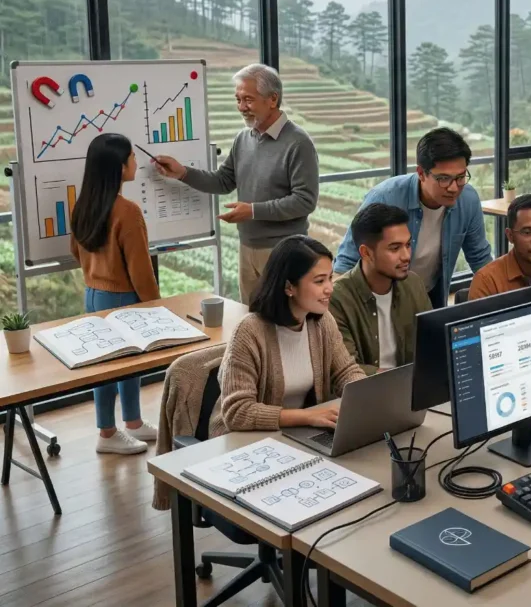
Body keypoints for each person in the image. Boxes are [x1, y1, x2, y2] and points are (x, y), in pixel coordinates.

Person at [152, 64, 319, 304]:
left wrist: (252, 211)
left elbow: (304, 201)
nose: (241, 107)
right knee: (251, 321)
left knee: (284, 322)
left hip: (284, 250)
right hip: (247, 248)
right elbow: (223, 181)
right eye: (238, 99)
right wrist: (182, 173)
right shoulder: (243, 138)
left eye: (248, 100)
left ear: (273, 99)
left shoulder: (298, 143)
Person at [209, 235, 364, 436]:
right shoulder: (249, 331)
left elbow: (345, 371)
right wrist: (308, 416)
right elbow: (237, 412)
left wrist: (366, 396)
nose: (329, 288)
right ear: (289, 287)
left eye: (330, 278)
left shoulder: (323, 322)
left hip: (292, 435)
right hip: (241, 441)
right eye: (319, 281)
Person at [70, 133, 160, 455]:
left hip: (93, 295)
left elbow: (76, 253)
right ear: (120, 168)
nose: (136, 162)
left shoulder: (83, 205)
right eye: (132, 157)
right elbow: (140, 271)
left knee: (110, 364)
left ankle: (131, 423)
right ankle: (109, 433)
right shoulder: (128, 212)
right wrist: (156, 306)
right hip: (123, 298)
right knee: (123, 363)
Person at [333, 127, 492, 308]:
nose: (454, 187)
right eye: (443, 178)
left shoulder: (468, 200)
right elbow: (346, 263)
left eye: (460, 177)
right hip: (377, 300)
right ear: (421, 173)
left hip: (429, 295)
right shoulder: (385, 198)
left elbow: (480, 259)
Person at [329, 204, 431, 375]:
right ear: (366, 253)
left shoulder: (413, 284)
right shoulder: (338, 298)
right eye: (395, 248)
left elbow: (432, 342)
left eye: (408, 245)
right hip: (365, 393)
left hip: (413, 387)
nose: (406, 256)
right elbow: (345, 368)